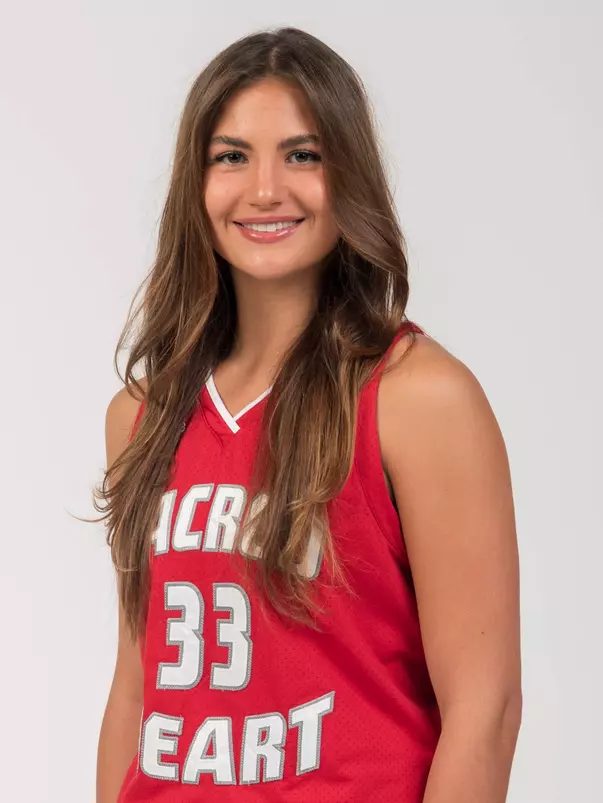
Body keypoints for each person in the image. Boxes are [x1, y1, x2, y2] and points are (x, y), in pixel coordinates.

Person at [94, 26, 522, 803]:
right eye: (231, 156)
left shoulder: (417, 398)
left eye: (302, 154)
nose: (264, 189)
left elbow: (483, 711)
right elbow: (135, 688)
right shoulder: (142, 417)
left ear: (347, 175)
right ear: (196, 182)